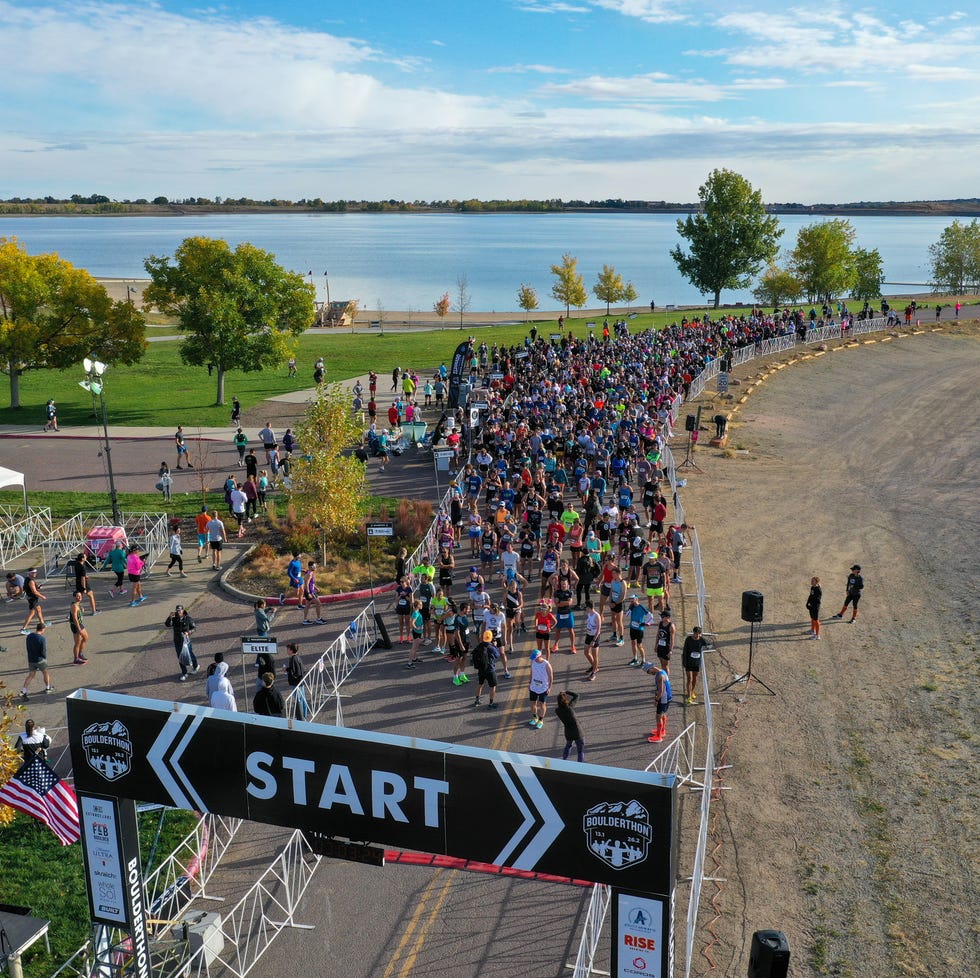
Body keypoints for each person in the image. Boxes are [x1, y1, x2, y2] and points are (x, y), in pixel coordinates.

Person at [19, 623, 53, 700]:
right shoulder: (42, 639)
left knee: (30, 675)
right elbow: (43, 651)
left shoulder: (29, 636)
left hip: (31, 659)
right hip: (40, 660)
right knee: (45, 673)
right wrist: (44, 658)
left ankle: (23, 691)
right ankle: (48, 688)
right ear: (43, 629)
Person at [165, 604, 198, 680]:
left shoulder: (188, 618)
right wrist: (170, 617)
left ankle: (195, 666)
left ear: (183, 610)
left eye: (180, 610)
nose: (178, 612)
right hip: (177, 641)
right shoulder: (174, 619)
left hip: (186, 641)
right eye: (177, 611)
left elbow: (194, 628)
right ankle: (184, 673)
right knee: (180, 657)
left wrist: (188, 632)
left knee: (190, 654)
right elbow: (167, 624)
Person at [644, 660, 672, 743]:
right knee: (662, 714)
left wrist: (657, 699)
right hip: (667, 697)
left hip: (664, 698)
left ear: (651, 668)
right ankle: (662, 731)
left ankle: (659, 736)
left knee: (658, 716)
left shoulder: (660, 676)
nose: (649, 673)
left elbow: (661, 691)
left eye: (648, 672)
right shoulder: (662, 671)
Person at [471, 630, 500, 708]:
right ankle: (491, 703)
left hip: (481, 669)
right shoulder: (491, 647)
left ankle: (477, 700)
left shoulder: (479, 645)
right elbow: (497, 655)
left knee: (480, 684)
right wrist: (495, 646)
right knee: (493, 687)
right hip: (490, 670)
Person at [527, 648, 554, 729]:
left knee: (542, 704)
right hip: (533, 687)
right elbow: (531, 673)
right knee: (532, 703)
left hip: (543, 688)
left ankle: (541, 720)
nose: (533, 659)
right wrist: (529, 683)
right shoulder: (533, 662)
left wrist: (549, 688)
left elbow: (551, 677)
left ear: (539, 656)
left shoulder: (546, 664)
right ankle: (535, 718)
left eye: (534, 658)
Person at [555, 690, 585, 762]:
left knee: (568, 746)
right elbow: (576, 695)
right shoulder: (570, 707)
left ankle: (564, 760)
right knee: (580, 751)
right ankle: (580, 766)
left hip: (568, 732)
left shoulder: (557, 711)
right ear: (565, 699)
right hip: (578, 732)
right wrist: (567, 692)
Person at [681, 626, 709, 704]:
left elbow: (709, 643)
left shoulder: (701, 640)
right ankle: (689, 696)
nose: (697, 635)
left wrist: (706, 645)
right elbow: (684, 651)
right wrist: (684, 662)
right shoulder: (688, 639)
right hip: (688, 662)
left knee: (694, 678)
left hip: (696, 662)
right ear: (693, 633)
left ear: (700, 634)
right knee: (689, 679)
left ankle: (692, 691)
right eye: (695, 634)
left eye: (698, 634)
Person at [285, 642, 309, 720]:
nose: (287, 651)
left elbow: (296, 672)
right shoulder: (297, 657)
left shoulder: (293, 659)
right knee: (302, 698)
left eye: (288, 649)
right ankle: (304, 714)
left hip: (296, 683)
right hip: (300, 682)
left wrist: (290, 675)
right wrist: (288, 669)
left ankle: (301, 717)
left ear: (291, 650)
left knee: (299, 700)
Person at [19, 568, 46, 634]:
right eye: (33, 572)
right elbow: (34, 592)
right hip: (33, 599)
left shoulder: (26, 579)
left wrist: (38, 587)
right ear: (30, 573)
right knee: (31, 614)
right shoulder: (31, 581)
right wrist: (42, 596)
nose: (35, 574)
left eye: (35, 572)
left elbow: (26, 588)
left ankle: (42, 624)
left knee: (39, 610)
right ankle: (23, 629)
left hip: (31, 598)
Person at [582, 600, 603, 681]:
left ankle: (594, 672)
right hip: (588, 635)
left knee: (595, 656)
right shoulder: (589, 613)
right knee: (586, 652)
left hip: (595, 637)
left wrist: (594, 640)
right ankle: (594, 666)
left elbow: (598, 629)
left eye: (586, 607)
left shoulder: (596, 616)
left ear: (589, 607)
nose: (585, 609)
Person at [69, 590, 89, 664]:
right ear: (74, 597)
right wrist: (79, 628)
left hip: (80, 624)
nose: (79, 597)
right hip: (76, 625)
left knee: (86, 638)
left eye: (80, 595)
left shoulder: (77, 604)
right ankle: (76, 659)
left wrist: (81, 608)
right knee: (77, 643)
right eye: (77, 596)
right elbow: (75, 619)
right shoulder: (74, 606)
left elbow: (78, 606)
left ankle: (80, 654)